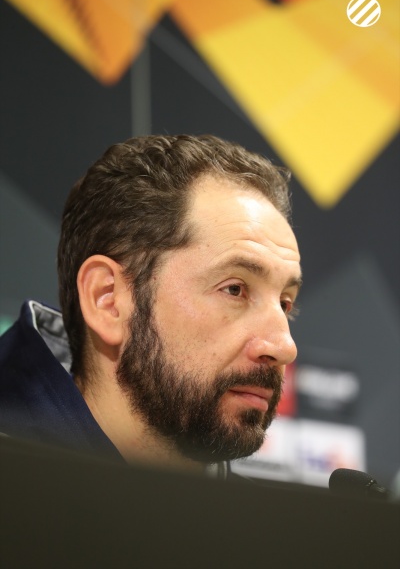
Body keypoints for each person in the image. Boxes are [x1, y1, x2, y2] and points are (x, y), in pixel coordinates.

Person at [0, 135, 302, 475]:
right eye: (235, 289)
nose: (284, 347)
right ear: (108, 300)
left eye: (285, 303)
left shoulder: (255, 511)